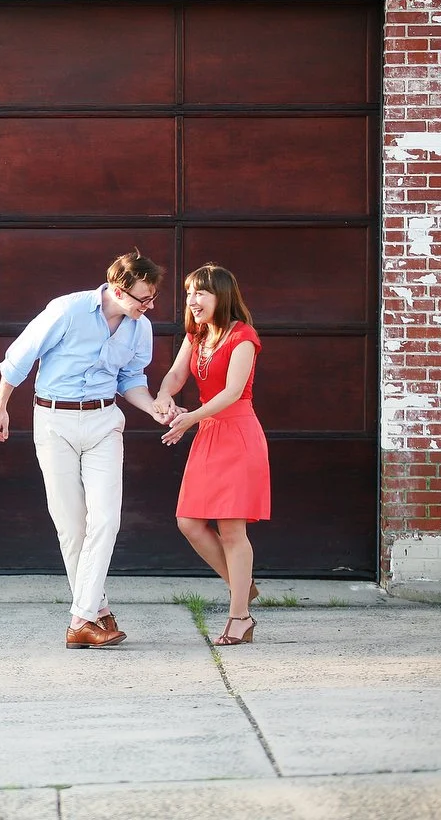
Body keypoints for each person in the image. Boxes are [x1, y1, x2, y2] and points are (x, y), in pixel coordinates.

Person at [0, 250, 171, 650]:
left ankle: (79, 621)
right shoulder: (67, 310)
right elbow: (20, 357)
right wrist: (0, 406)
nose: (150, 305)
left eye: (153, 298)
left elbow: (131, 379)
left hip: (105, 422)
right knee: (71, 526)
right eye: (144, 298)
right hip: (54, 421)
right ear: (120, 290)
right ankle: (98, 610)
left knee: (105, 520)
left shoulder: (140, 327)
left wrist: (154, 405)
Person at [154, 263, 271, 647]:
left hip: (237, 432)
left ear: (221, 295)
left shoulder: (244, 337)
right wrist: (164, 396)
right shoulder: (197, 333)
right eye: (189, 293)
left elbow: (232, 392)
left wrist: (189, 420)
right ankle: (242, 587)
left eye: (200, 293)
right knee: (188, 521)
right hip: (208, 431)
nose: (192, 300)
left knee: (232, 528)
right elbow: (175, 374)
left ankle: (240, 617)